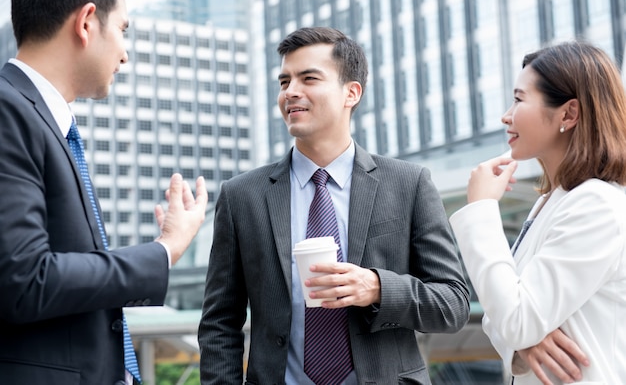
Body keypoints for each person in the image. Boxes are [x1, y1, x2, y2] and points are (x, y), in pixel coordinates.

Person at [198, 26, 470, 384]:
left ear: (351, 93)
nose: (291, 92)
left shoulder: (408, 184)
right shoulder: (241, 196)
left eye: (308, 78)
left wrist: (377, 288)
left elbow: (453, 303)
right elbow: (220, 322)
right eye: (284, 82)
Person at [0, 0, 208, 384]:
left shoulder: (40, 119)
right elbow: (23, 280)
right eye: (123, 29)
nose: (125, 53)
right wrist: (164, 251)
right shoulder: (9, 111)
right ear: (86, 22)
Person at [449, 41, 626, 384]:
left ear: (569, 114)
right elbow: (499, 312)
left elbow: (514, 318)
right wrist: (524, 344)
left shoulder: (597, 205)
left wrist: (482, 209)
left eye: (518, 99)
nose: (506, 115)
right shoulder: (554, 201)